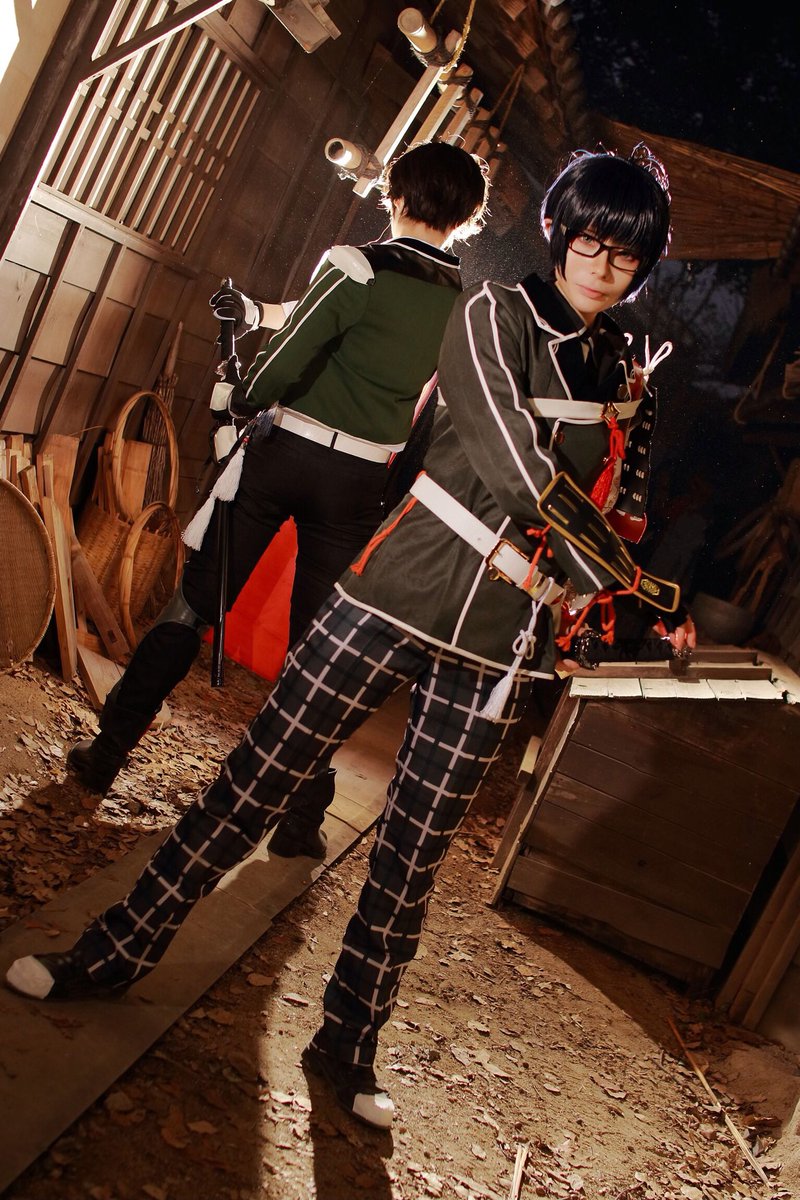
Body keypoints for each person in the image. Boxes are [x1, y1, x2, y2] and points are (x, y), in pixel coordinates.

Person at [7, 145, 695, 1133]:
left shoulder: (627, 371)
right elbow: (510, 463)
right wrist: (624, 574)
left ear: (642, 265)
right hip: (389, 598)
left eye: (625, 254)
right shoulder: (491, 315)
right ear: (556, 232)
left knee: (410, 861)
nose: (602, 265)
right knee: (251, 787)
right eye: (588, 240)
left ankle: (346, 1042)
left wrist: (612, 598)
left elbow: (624, 503)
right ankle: (112, 952)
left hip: (496, 642)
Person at [65, 140, 490, 865]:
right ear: (466, 219)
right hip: (360, 482)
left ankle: (106, 756)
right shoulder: (466, 306)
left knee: (195, 603)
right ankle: (300, 822)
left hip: (284, 454)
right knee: (318, 653)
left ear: (396, 195)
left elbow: (294, 349)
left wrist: (244, 392)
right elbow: (417, 382)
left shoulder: (355, 264)